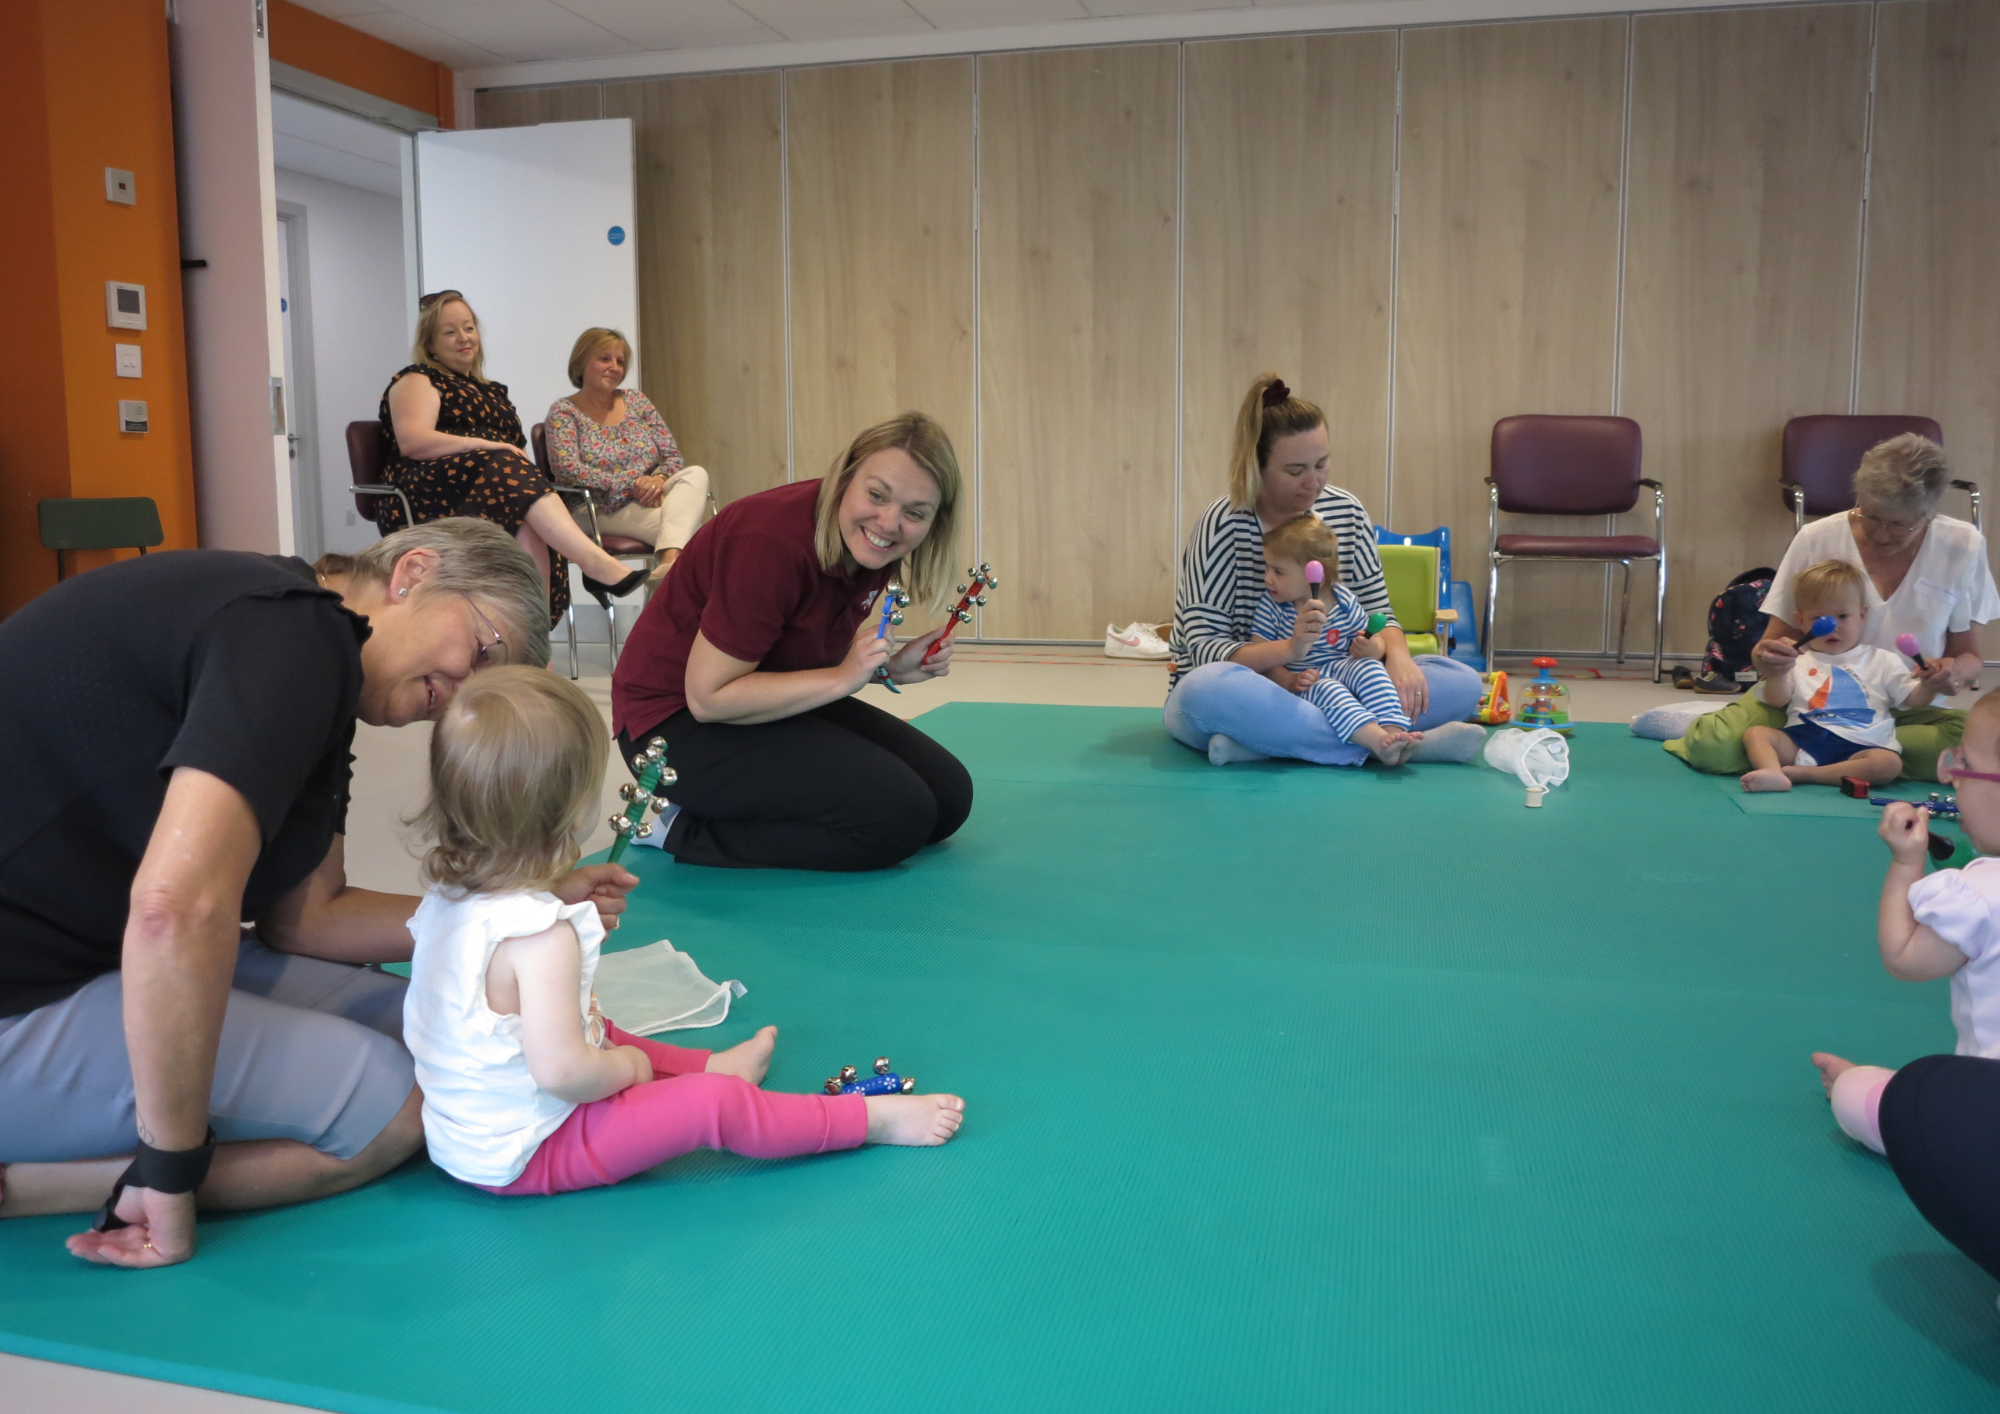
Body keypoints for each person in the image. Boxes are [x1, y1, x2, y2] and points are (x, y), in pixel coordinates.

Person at [0, 519, 640, 1269]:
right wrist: (171, 1169)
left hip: (80, 950)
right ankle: (37, 1186)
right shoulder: (293, 637)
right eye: (482, 652)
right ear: (413, 573)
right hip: (25, 993)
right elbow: (178, 910)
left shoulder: (305, 646)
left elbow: (308, 920)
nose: (462, 696)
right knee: (403, 1109)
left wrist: (516, 909)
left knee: (440, 1032)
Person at [404, 668, 964, 1197]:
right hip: (536, 1150)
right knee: (711, 1105)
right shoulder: (542, 940)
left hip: (466, 1138)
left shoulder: (447, 901)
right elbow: (565, 1072)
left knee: (605, 1028)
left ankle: (715, 1064)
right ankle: (866, 1119)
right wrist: (628, 1071)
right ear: (571, 812)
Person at [612, 413, 973, 872]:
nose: (889, 522)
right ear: (846, 476)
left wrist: (888, 668)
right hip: (673, 725)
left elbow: (799, 647)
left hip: (761, 693)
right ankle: (676, 828)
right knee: (898, 819)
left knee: (948, 798)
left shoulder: (871, 539)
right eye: (877, 495)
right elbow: (708, 699)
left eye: (914, 513)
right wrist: (844, 678)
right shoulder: (770, 540)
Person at [1165, 373, 1484, 767]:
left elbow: (1378, 612)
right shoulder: (1222, 524)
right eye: (1295, 470)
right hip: (1259, 686)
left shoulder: (1346, 511)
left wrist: (1397, 656)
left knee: (1463, 681)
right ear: (1257, 466)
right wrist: (1289, 651)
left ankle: (1267, 745)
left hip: (1340, 679)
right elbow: (1204, 648)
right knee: (1203, 691)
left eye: (1322, 464)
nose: (1313, 482)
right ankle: (1403, 743)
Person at [1670, 434, 2000, 781]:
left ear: (1930, 511)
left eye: (1901, 524)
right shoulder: (1817, 538)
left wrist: (1952, 673)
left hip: (1908, 708)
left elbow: (1969, 657)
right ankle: (1860, 757)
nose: (1882, 534)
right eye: (1871, 516)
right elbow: (1772, 643)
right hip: (1807, 708)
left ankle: (1827, 758)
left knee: (1986, 747)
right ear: (1858, 496)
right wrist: (1769, 659)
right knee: (1712, 745)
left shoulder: (1963, 544)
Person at [1810, 692, 2000, 1287]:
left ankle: (1853, 1086)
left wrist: (1904, 865)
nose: (1953, 780)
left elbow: (1905, 957)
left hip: (1986, 1113)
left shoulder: (1983, 893)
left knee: (1887, 1098)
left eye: (1961, 764)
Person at [379, 292, 649, 626]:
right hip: (429, 493)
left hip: (494, 486)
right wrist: (486, 446)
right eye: (450, 332)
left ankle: (531, 643)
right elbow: (413, 441)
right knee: (510, 471)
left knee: (529, 519)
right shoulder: (418, 378)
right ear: (431, 344)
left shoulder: (491, 390)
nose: (464, 338)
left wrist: (498, 451)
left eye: (469, 328)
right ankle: (594, 564)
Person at [1235, 514, 1420, 767]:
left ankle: (1394, 732)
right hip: (1307, 678)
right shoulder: (1272, 607)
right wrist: (1290, 680)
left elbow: (1373, 640)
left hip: (1342, 666)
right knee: (1328, 688)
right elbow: (1262, 655)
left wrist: (1372, 649)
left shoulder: (1343, 599)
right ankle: (1376, 742)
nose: (1267, 578)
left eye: (1278, 571)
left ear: (1315, 576)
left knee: (1372, 669)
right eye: (1267, 568)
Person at [1740, 560, 1938, 793]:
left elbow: (1913, 700)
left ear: (1862, 616)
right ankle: (1774, 773)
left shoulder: (1882, 660)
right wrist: (1778, 673)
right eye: (1818, 619)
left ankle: (1809, 775)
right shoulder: (1797, 659)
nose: (1832, 627)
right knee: (1756, 734)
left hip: (1863, 743)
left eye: (1843, 616)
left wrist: (1928, 684)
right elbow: (1777, 700)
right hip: (1805, 737)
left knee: (1889, 763)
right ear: (1800, 621)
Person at [544, 327, 712, 589]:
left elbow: (671, 456)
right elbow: (568, 470)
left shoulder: (637, 401)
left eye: (620, 361)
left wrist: (657, 480)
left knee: (696, 473)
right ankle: (667, 579)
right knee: (698, 535)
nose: (614, 367)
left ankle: (666, 569)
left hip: (648, 498)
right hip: (595, 507)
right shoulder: (564, 411)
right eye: (604, 358)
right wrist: (633, 484)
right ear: (581, 362)